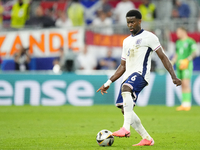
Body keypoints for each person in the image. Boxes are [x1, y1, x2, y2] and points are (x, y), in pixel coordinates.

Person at [97, 9, 182, 146]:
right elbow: (122, 66)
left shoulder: (149, 37)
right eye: (128, 22)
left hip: (141, 74)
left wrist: (173, 76)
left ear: (139, 21)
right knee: (125, 109)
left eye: (132, 22)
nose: (130, 25)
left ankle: (125, 129)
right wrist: (108, 82)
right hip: (128, 75)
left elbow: (163, 57)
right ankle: (147, 138)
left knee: (126, 89)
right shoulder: (126, 41)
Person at [171, 27, 197, 111]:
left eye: (178, 32)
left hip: (186, 65)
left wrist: (187, 60)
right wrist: (172, 62)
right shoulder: (178, 42)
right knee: (182, 84)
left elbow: (194, 53)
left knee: (186, 84)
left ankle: (187, 104)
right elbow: (177, 54)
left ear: (183, 31)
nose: (177, 33)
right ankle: (184, 104)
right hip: (179, 66)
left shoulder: (190, 41)